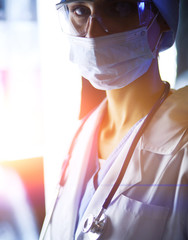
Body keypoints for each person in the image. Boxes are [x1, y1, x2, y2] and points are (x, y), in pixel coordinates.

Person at [40, 0, 188, 239]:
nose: (92, 33)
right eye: (80, 11)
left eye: (118, 8)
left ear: (160, 21)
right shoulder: (77, 138)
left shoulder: (183, 147)